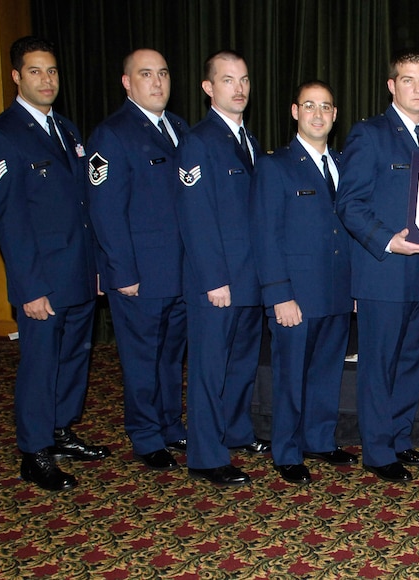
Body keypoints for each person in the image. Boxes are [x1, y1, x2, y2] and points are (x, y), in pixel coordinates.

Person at [0, 36, 106, 492]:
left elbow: (83, 206)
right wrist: (29, 288)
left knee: (75, 357)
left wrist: (96, 267)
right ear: (16, 76)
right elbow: (9, 221)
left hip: (77, 270)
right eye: (35, 71)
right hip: (42, 281)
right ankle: (34, 451)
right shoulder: (1, 135)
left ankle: (60, 430)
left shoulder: (67, 129)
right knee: (40, 364)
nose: (46, 80)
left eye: (51, 71)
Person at [335, 50, 419, 484]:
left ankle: (399, 437)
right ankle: (378, 451)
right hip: (383, 271)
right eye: (408, 80)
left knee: (408, 362)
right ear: (391, 85)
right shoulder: (369, 134)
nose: (417, 88)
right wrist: (388, 240)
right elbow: (349, 203)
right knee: (379, 364)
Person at [86, 49, 189, 472]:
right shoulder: (112, 134)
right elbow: (105, 211)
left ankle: (168, 423)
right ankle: (145, 434)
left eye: (163, 73)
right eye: (146, 74)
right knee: (142, 358)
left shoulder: (180, 128)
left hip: (181, 272)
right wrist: (121, 272)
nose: (157, 82)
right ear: (127, 82)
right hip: (140, 276)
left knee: (169, 355)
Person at [255, 80, 357, 485]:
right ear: (295, 112)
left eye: (326, 107)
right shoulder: (275, 165)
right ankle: (287, 450)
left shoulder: (345, 164)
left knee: (326, 373)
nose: (318, 114)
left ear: (335, 115)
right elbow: (265, 235)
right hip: (295, 294)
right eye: (310, 106)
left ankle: (318, 439)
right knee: (290, 374)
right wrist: (279, 294)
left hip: (336, 292)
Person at [176, 50, 268, 487]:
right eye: (228, 80)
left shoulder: (245, 138)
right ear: (209, 88)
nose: (240, 88)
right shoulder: (198, 141)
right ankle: (206, 456)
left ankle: (234, 432)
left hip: (248, 278)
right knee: (210, 369)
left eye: (245, 79)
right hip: (218, 282)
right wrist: (215, 279)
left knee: (240, 364)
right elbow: (196, 218)